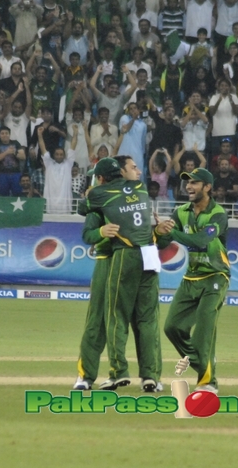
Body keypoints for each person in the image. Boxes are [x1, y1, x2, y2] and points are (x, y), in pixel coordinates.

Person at [73, 156, 165, 391]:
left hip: (128, 258)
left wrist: (160, 232)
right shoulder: (121, 195)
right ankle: (86, 377)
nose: (137, 171)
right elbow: (88, 235)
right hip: (108, 260)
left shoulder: (110, 195)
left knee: (137, 319)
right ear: (122, 173)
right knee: (98, 322)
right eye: (133, 168)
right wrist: (102, 232)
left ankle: (143, 375)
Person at [159, 167, 230, 394]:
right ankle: (203, 362)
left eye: (194, 183)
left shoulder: (218, 213)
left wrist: (171, 234)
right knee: (172, 327)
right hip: (191, 277)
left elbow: (201, 240)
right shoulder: (180, 212)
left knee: (203, 329)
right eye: (187, 183)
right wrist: (159, 232)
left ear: (207, 187)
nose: (188, 186)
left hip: (215, 276)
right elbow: (161, 243)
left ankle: (208, 382)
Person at [39, 124, 76, 214]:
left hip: (64, 202)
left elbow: (73, 146)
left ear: (64, 155)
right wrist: (39, 135)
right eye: (57, 154)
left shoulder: (68, 164)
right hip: (51, 201)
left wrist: (75, 133)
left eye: (61, 154)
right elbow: (43, 148)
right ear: (54, 155)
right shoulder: (49, 163)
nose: (59, 156)